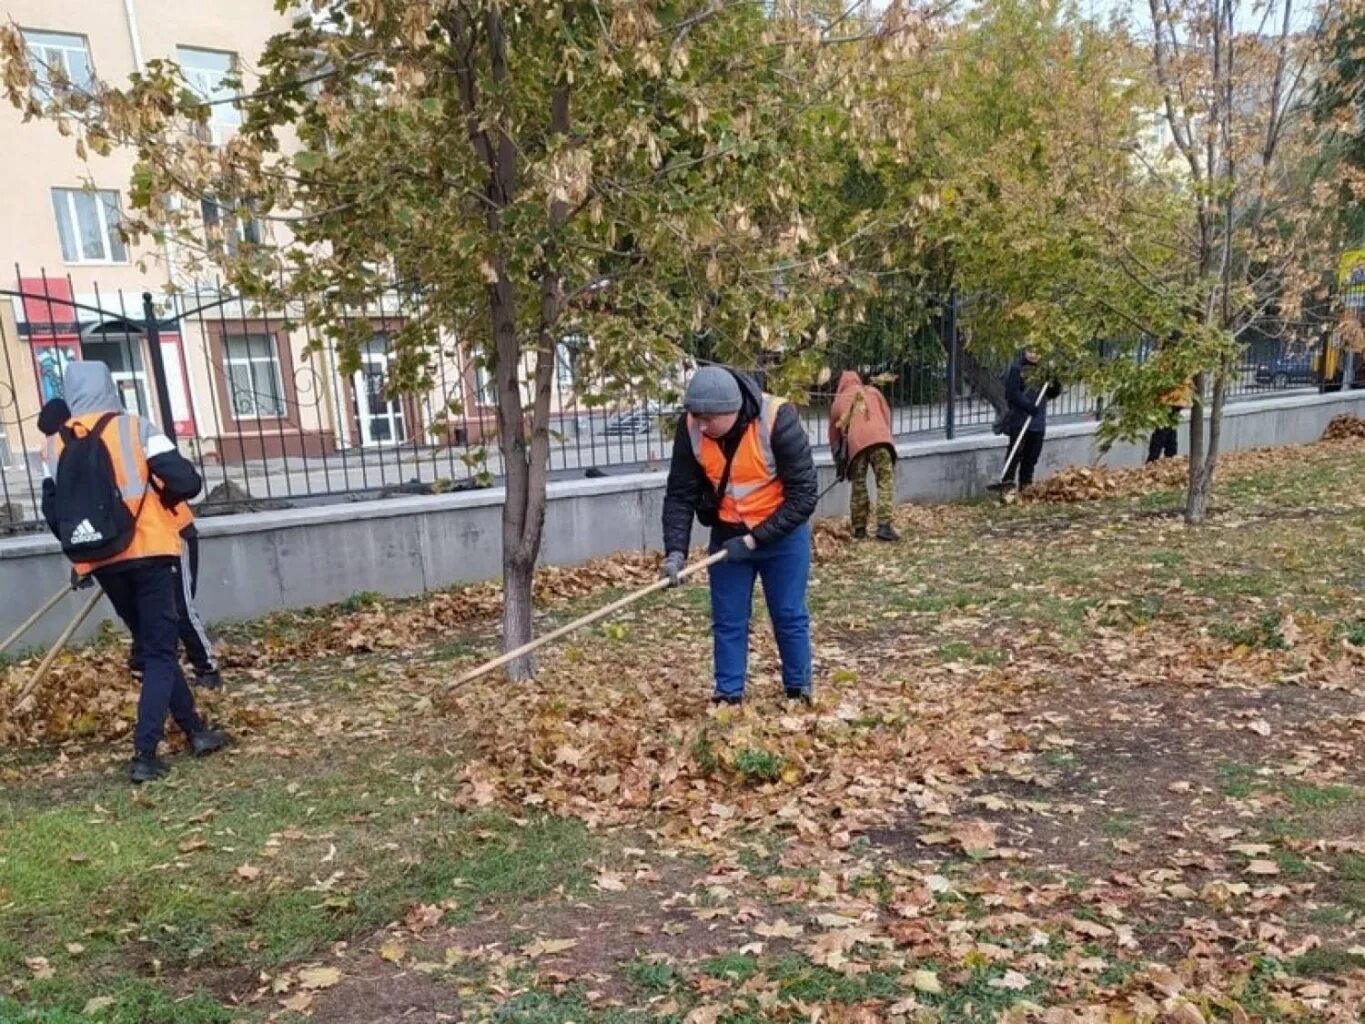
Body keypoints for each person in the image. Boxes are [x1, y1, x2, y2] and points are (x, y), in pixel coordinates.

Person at [41, 364, 228, 783]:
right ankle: (145, 753)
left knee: (151, 643)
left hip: (102, 559)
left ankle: (196, 730)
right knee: (160, 653)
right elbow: (187, 481)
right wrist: (161, 496)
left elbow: (53, 511)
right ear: (109, 386)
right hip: (151, 552)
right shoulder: (136, 427)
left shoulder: (53, 445)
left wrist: (84, 552)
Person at [660, 365, 819, 705]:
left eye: (708, 419)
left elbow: (805, 496)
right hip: (727, 536)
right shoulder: (691, 427)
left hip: (782, 535)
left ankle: (798, 689)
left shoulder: (778, 418)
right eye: (696, 417)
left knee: (789, 613)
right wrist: (675, 552)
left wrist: (753, 540)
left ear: (731, 410)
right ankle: (728, 695)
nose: (701, 425)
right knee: (728, 619)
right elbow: (680, 493)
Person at [39, 397, 222, 689]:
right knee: (146, 614)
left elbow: (181, 482)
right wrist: (82, 557)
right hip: (128, 544)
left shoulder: (120, 432)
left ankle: (206, 670)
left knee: (178, 606)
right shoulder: (65, 448)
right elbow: (65, 513)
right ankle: (147, 669)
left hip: (171, 531)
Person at [829, 370, 898, 541]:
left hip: (857, 446)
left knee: (858, 485)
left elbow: (834, 438)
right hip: (881, 440)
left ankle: (859, 528)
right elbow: (886, 416)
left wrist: (840, 464)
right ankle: (884, 526)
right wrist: (883, 434)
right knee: (885, 481)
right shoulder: (873, 392)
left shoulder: (838, 402)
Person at [1001, 349, 1061, 490]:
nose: (1034, 354)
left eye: (1037, 351)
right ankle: (1007, 487)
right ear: (1025, 351)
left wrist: (1055, 380)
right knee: (1015, 455)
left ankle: (1026, 487)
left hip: (1038, 422)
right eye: (1031, 351)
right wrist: (1028, 406)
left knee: (1031, 457)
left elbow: (1052, 392)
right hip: (1020, 421)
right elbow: (1012, 393)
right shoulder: (1017, 369)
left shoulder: (1044, 370)